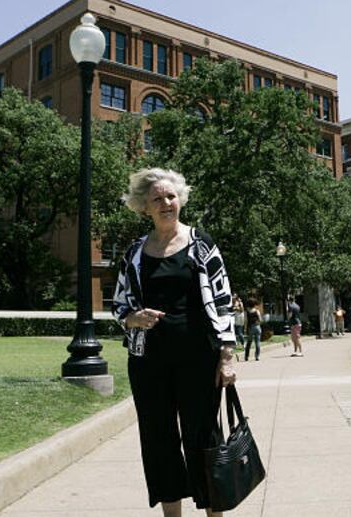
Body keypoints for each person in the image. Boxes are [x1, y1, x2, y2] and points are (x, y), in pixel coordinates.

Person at [111, 168, 237, 517]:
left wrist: (227, 356)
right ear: (144, 208)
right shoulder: (135, 252)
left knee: (204, 438)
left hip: (199, 358)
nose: (166, 203)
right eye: (157, 199)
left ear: (179, 199)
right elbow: (119, 303)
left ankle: (214, 512)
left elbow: (224, 301)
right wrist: (131, 318)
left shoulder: (201, 244)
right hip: (148, 362)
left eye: (171, 197)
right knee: (158, 441)